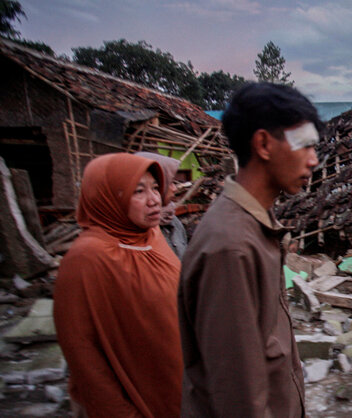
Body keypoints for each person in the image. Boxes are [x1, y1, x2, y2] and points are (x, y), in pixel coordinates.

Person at [178, 82, 320, 417]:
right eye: (304, 145)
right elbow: (237, 392)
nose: (314, 160)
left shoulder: (256, 225)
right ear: (263, 144)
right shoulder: (231, 247)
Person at [53, 153, 182, 417]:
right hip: (133, 400)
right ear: (109, 196)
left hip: (174, 388)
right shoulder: (87, 259)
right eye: (139, 191)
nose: (155, 199)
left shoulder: (152, 237)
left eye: (156, 188)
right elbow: (83, 354)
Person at [135, 151, 188, 259]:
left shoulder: (173, 221)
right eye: (170, 182)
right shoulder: (135, 230)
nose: (175, 188)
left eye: (154, 187)